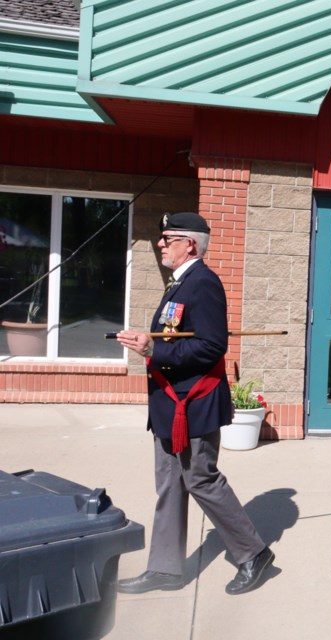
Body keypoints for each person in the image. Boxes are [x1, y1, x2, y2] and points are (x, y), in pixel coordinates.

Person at [116, 212, 274, 595]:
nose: (160, 243)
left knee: (201, 479)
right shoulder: (180, 283)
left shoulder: (203, 283)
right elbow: (176, 336)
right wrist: (151, 343)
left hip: (194, 403)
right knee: (170, 484)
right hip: (170, 404)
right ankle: (166, 569)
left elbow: (211, 345)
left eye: (167, 237)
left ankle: (253, 553)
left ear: (190, 243)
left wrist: (154, 348)